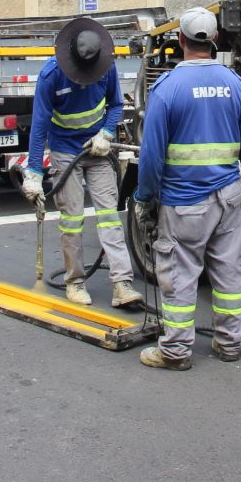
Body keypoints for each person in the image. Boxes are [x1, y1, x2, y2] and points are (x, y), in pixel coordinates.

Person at [132, 7, 241, 370]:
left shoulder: (167, 89)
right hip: (229, 200)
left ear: (180, 41)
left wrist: (144, 198)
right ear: (215, 40)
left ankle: (175, 351)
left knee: (178, 276)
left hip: (183, 204)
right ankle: (231, 343)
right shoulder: (235, 85)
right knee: (228, 272)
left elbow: (151, 156)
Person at [21, 17, 142, 309]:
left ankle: (122, 284)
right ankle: (75, 281)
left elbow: (115, 105)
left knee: (110, 218)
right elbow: (39, 127)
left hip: (97, 150)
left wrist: (107, 132)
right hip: (65, 151)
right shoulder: (51, 76)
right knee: (72, 221)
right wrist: (34, 172)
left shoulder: (105, 67)